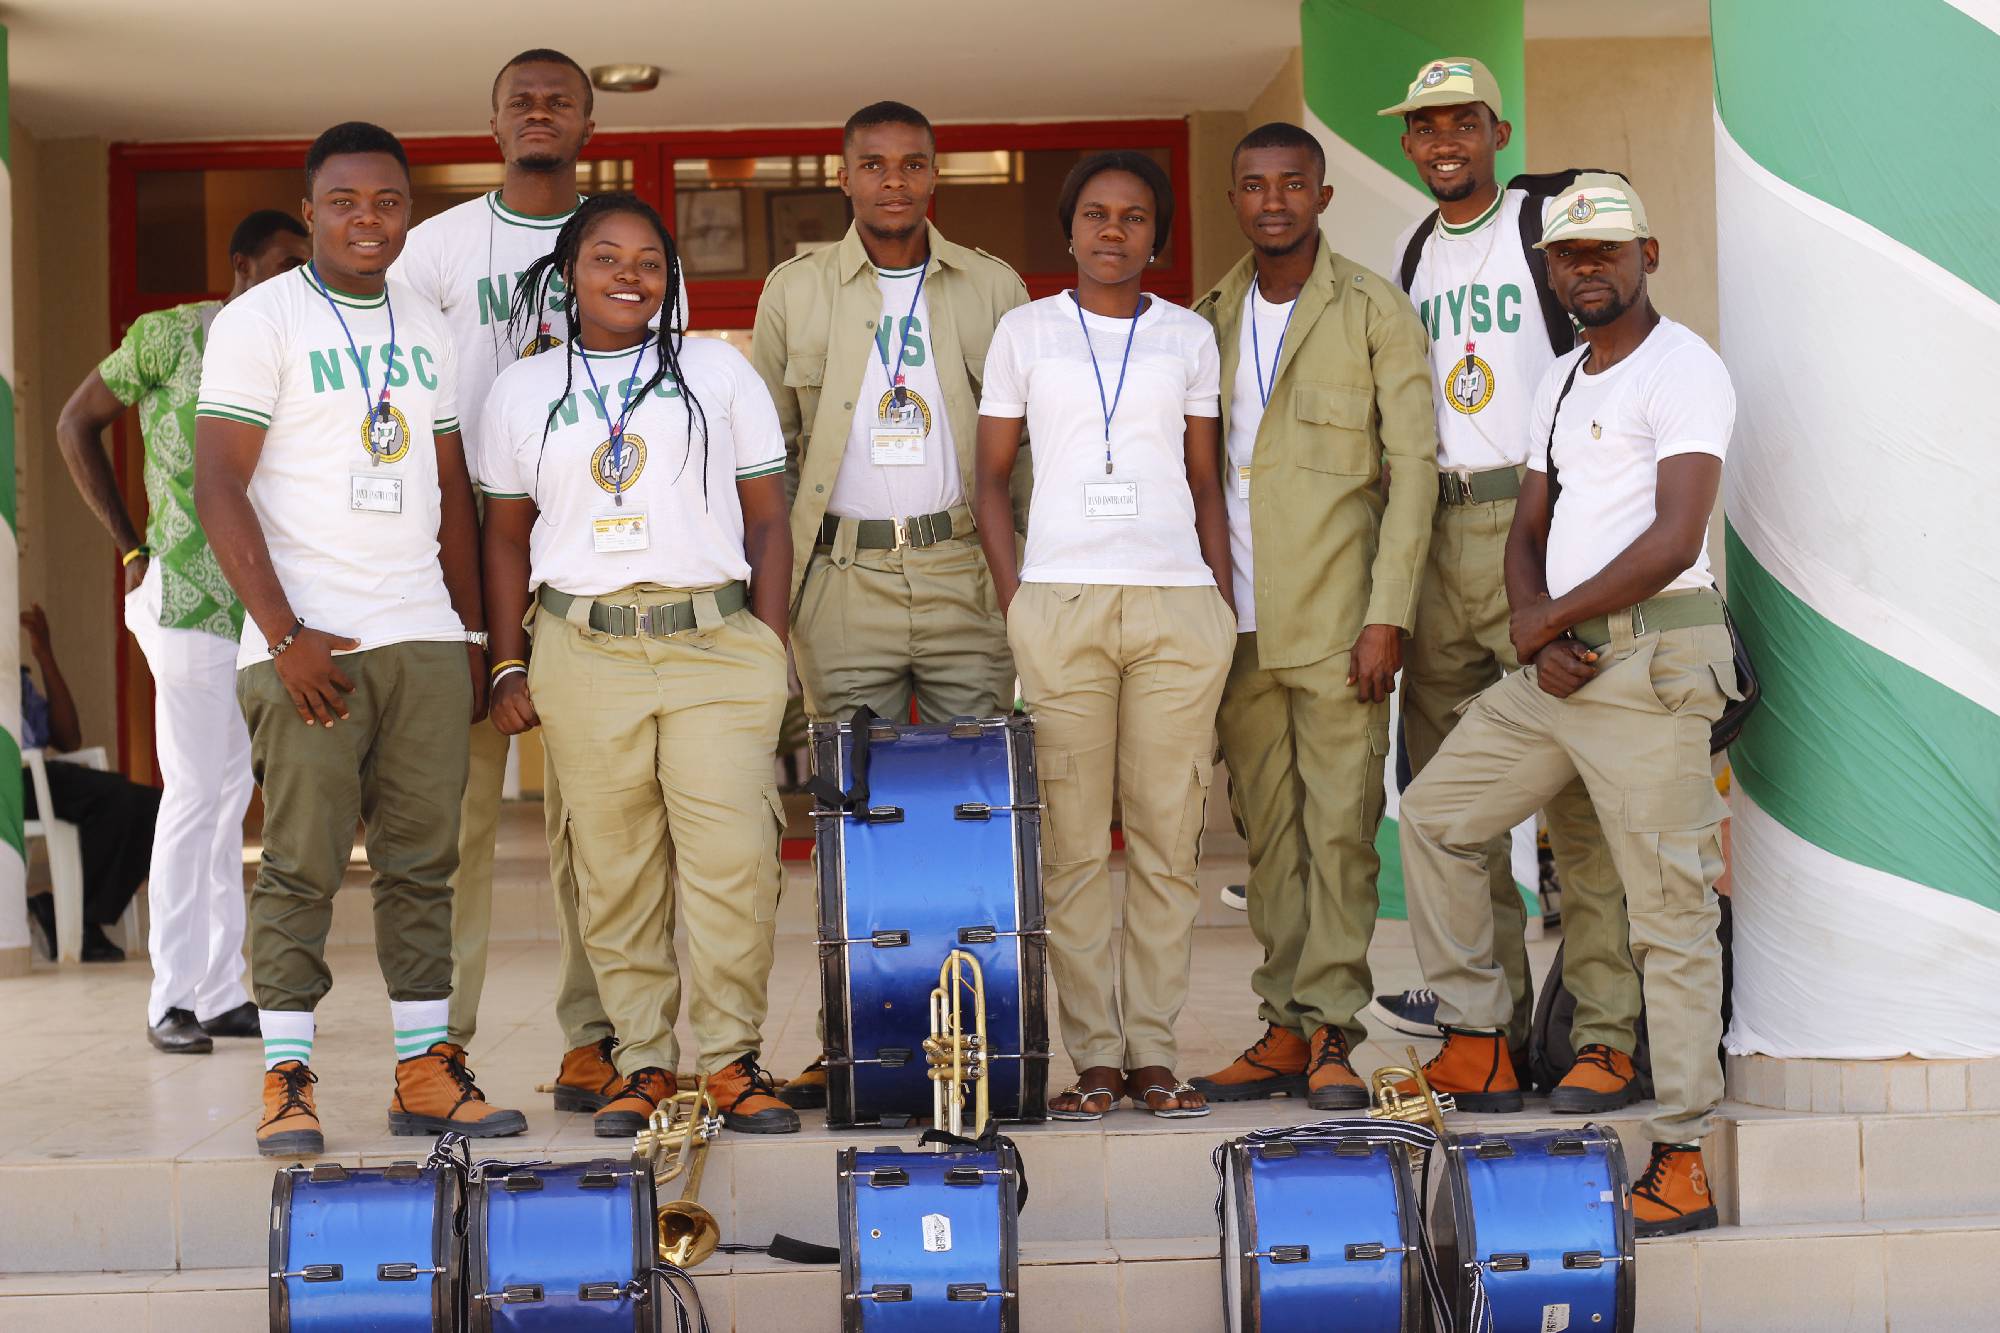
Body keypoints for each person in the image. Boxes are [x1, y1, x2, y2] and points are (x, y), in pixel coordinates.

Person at [1394, 174, 1736, 1237]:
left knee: (1669, 916)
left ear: (1646, 255)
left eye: (1605, 251)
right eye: (1567, 255)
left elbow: (1675, 536)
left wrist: (1553, 621)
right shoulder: (1556, 376)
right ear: (1547, 269)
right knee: (1434, 815)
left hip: (1653, 659)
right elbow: (1527, 524)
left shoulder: (1683, 368)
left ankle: (1683, 1154)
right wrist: (1534, 628)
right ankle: (1477, 1036)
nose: (1586, 268)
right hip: (1563, 664)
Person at [194, 121, 524, 1157]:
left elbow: (448, 487)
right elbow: (217, 483)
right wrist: (282, 631)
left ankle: (425, 1070)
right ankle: (287, 1078)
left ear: (408, 213)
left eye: (386, 201)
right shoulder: (260, 320)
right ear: (310, 212)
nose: (367, 219)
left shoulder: (427, 323)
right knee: (300, 866)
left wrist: (471, 630)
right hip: (310, 644)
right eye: (344, 202)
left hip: (418, 631)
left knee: (423, 866)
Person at [481, 193, 800, 1136]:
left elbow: (769, 520)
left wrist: (768, 646)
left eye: (650, 261)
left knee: (734, 861)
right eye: (606, 257)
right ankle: (643, 1061)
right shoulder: (522, 390)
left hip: (715, 645)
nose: (630, 275)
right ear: (568, 274)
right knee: (613, 870)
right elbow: (504, 536)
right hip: (584, 649)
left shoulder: (718, 371)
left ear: (671, 276)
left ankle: (732, 1059)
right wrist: (507, 663)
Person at [1370, 56, 1644, 1112]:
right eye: (1424, 125)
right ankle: (1482, 1033)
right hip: (1438, 528)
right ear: (1407, 143)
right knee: (1453, 794)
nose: (1443, 140)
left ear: (1500, 131)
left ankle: (1603, 1034)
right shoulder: (1412, 249)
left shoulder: (1539, 221)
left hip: (1539, 522)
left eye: (1463, 122)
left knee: (1576, 788)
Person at [750, 100, 1029, 1109]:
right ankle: (855, 1039)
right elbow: (767, 456)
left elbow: (1024, 452)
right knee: (852, 820)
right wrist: (776, 602)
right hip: (844, 577)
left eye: (912, 163)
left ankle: (984, 1035)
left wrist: (1022, 583)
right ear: (844, 176)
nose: (894, 181)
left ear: (935, 174)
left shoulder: (993, 286)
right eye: (873, 164)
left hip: (963, 572)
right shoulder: (793, 291)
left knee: (976, 814)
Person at [974, 150, 1235, 1120]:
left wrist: (1217, 599)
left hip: (1175, 605)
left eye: (1133, 216)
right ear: (1070, 229)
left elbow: (1205, 480)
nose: (1113, 230)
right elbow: (989, 478)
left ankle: (1153, 1051)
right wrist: (1018, 599)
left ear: (1155, 235)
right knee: (1074, 844)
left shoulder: (1188, 336)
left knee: (1168, 841)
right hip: (1060, 604)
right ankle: (1094, 1057)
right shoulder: (1025, 331)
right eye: (1095, 214)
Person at [1185, 123, 1439, 1111]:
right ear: (1235, 199)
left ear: (1321, 196)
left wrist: (1387, 616)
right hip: (1239, 629)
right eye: (1254, 186)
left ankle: (1333, 1025)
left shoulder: (1371, 308)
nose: (1273, 201)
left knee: (1339, 834)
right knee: (1269, 840)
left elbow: (1413, 471)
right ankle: (1285, 1026)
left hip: (1339, 625)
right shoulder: (1204, 319)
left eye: (1292, 184)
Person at [392, 47, 621, 1113]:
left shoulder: (619, 242)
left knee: (597, 821)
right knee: (458, 827)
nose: (539, 113)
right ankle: (439, 1051)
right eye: (520, 101)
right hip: (459, 553)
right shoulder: (436, 247)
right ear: (492, 123)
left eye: (558, 101)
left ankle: (596, 1039)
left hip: (586, 553)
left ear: (586, 123)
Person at [53, 207, 308, 1050]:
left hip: (264, 606)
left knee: (230, 794)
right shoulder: (170, 336)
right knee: (199, 790)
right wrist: (130, 545)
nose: (297, 278)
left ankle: (220, 988)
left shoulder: (295, 349)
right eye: (286, 262)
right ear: (242, 264)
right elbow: (74, 422)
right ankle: (171, 999)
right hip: (191, 600)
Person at [17, 605, 161, 963]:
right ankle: (77, 919)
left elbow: (69, 738)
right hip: (13, 778)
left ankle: (75, 915)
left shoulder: (14, 678)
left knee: (150, 807)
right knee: (126, 801)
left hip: (39, 776)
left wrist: (44, 653)